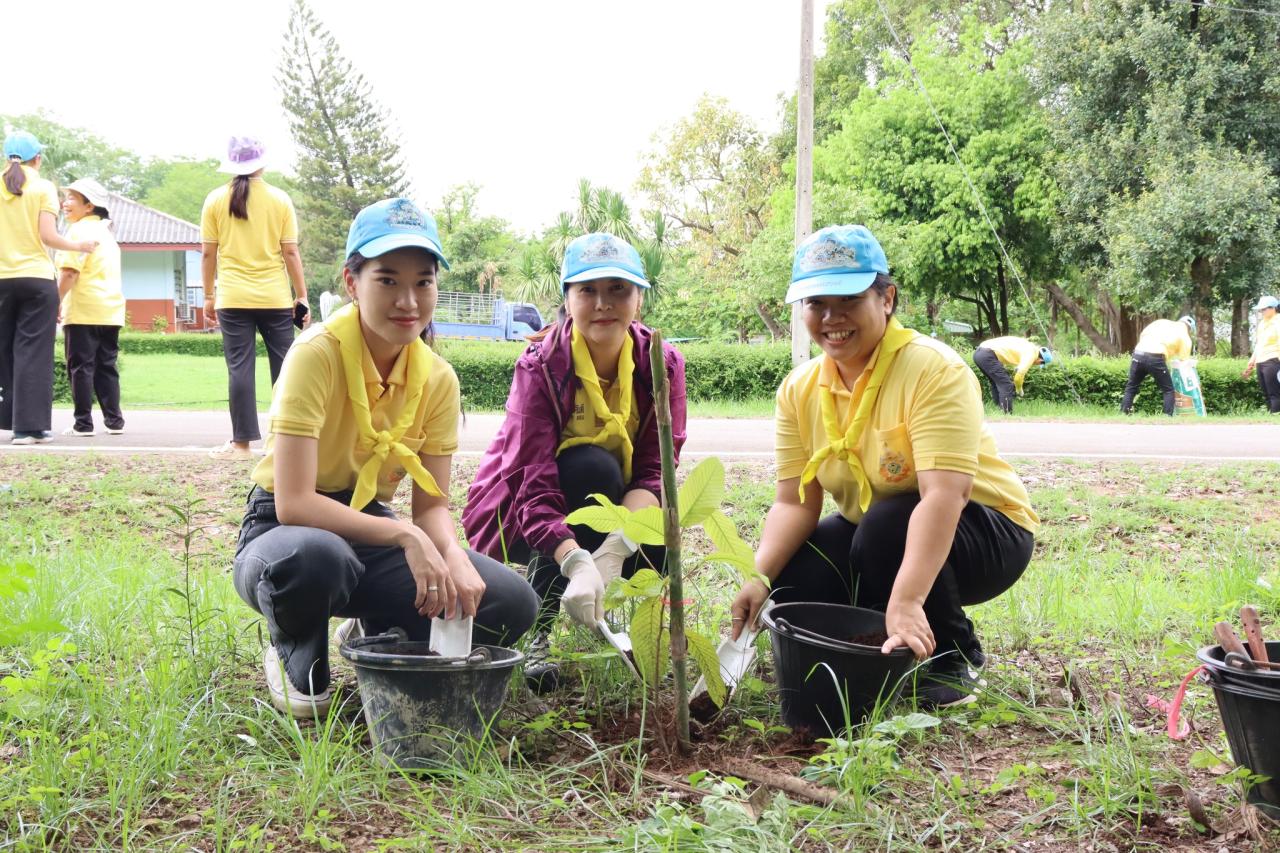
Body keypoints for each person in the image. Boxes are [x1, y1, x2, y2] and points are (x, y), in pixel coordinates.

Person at [231, 198, 537, 718]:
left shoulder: (438, 379)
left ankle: (380, 624)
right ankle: (293, 644)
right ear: (352, 282)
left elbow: (432, 508)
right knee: (317, 559)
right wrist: (406, 536)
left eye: (423, 281)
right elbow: (295, 503)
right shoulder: (316, 354)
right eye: (388, 280)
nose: (408, 300)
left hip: (371, 526)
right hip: (285, 532)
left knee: (509, 600)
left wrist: (453, 557)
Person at [729, 225, 1038, 708]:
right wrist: (759, 577)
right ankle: (875, 645)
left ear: (886, 298)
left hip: (986, 532)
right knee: (796, 571)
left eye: (848, 300)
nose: (832, 318)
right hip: (880, 532)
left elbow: (945, 495)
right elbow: (793, 502)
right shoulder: (799, 388)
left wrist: (910, 597)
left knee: (886, 525)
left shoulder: (934, 369)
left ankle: (956, 654)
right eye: (815, 304)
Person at [462, 232, 687, 691]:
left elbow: (655, 467)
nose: (603, 303)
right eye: (588, 291)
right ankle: (537, 633)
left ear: (639, 298)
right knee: (592, 467)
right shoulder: (541, 365)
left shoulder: (661, 364)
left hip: (614, 501)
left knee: (662, 529)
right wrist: (575, 561)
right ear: (568, 299)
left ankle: (644, 640)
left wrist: (618, 545)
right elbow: (532, 480)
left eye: (618, 289)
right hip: (520, 513)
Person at [201, 135, 309, 460]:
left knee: (240, 369)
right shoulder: (279, 200)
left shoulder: (215, 200)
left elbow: (208, 254)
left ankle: (242, 445)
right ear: (262, 162)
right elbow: (290, 251)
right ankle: (284, 444)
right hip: (275, 297)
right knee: (287, 370)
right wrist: (301, 295)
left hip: (232, 297)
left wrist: (209, 295)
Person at [0, 131, 98, 445]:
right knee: (32, 351)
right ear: (37, 158)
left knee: (4, 350)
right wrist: (78, 244)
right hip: (36, 280)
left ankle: (6, 418)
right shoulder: (42, 188)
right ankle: (28, 429)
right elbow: (48, 237)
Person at [55, 178, 125, 437]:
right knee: (106, 365)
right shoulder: (107, 234)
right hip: (111, 310)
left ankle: (83, 424)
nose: (65, 202)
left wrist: (55, 301)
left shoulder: (77, 232)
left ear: (89, 206)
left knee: (81, 367)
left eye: (72, 197)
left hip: (84, 309)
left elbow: (69, 273)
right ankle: (114, 421)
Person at [1120, 316, 1195, 416]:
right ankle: (1167, 416)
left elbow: (1143, 334)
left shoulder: (1161, 322)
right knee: (1168, 390)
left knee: (1131, 387)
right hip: (1155, 357)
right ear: (1190, 329)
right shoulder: (1184, 335)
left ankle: (1124, 414)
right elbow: (1183, 360)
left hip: (1138, 353)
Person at [972, 336, 1053, 414]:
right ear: (1041, 360)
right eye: (1039, 364)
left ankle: (998, 411)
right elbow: (1018, 377)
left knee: (996, 382)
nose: (1036, 365)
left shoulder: (1028, 347)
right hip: (987, 354)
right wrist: (1019, 389)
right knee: (1006, 385)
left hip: (979, 353)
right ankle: (1007, 413)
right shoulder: (1031, 354)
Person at [1242, 295, 1280, 414]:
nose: (1261, 311)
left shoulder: (1278, 321)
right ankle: (1270, 418)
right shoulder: (1263, 323)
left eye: (1263, 309)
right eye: (1260, 309)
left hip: (1273, 360)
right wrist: (1252, 361)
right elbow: (1259, 344)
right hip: (1261, 361)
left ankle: (1276, 416)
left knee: (1274, 393)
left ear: (1273, 308)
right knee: (1266, 392)